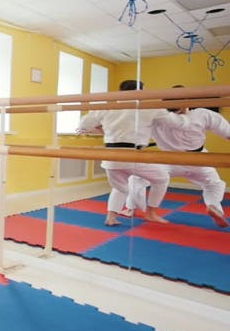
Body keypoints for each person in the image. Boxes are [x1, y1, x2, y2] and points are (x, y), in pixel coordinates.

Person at [78, 80, 190, 226]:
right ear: (141, 91)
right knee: (161, 178)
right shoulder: (149, 107)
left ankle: (110, 218)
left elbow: (83, 125)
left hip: (110, 158)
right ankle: (151, 213)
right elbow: (178, 124)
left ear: (120, 91)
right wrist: (185, 113)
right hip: (133, 156)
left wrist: (102, 130)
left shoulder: (107, 106)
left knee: (120, 188)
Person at [122, 86, 230, 228]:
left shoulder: (155, 117)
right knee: (214, 183)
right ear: (187, 101)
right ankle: (214, 205)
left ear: (163, 101)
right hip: (198, 159)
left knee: (137, 179)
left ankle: (130, 208)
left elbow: (135, 132)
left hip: (168, 160)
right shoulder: (203, 114)